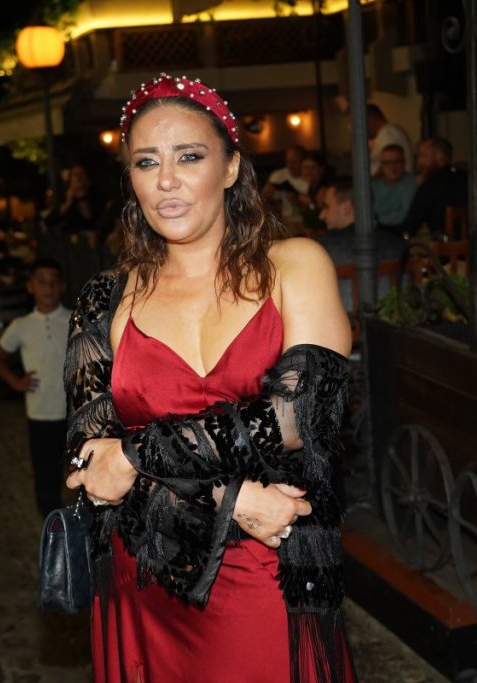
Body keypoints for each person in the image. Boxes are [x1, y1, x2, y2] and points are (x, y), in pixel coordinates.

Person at [64, 73, 356, 682]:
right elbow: (93, 465)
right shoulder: (103, 299)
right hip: (146, 574)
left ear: (230, 168)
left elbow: (300, 416)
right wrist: (232, 497)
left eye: (189, 157)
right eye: (147, 162)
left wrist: (137, 453)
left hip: (271, 568)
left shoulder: (295, 265)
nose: (166, 180)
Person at [0, 257, 71, 518]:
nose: (48, 288)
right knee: (46, 474)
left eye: (54, 282)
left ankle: (84, 524)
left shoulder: (75, 320)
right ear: (30, 287)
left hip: (74, 414)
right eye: (41, 282)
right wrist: (15, 381)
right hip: (40, 414)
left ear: (62, 286)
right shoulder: (21, 326)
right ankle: (52, 524)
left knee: (80, 469)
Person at [317, 176, 406, 314]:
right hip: (396, 322)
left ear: (346, 208)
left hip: (348, 324)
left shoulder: (322, 250)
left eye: (326, 207)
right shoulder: (399, 243)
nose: (321, 215)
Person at [393, 136, 469, 240]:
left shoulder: (431, 185)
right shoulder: (466, 178)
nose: (419, 162)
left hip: (445, 247)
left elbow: (409, 228)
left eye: (423, 155)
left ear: (439, 155)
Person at [261, 143, 309, 231]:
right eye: (288, 161)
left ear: (303, 161)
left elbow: (309, 212)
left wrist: (296, 201)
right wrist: (266, 193)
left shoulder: (308, 178)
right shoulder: (278, 176)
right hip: (279, 221)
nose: (291, 165)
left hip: (300, 222)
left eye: (295, 162)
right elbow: (263, 200)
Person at [371, 143, 417, 230]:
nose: (392, 167)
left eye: (397, 162)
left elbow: (405, 215)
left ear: (404, 163)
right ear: (381, 166)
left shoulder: (412, 182)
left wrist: (377, 220)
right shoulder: (373, 186)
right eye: (387, 163)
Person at [367, 104, 413, 176]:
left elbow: (390, 165)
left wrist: (369, 181)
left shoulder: (389, 133)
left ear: (371, 119)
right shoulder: (386, 133)